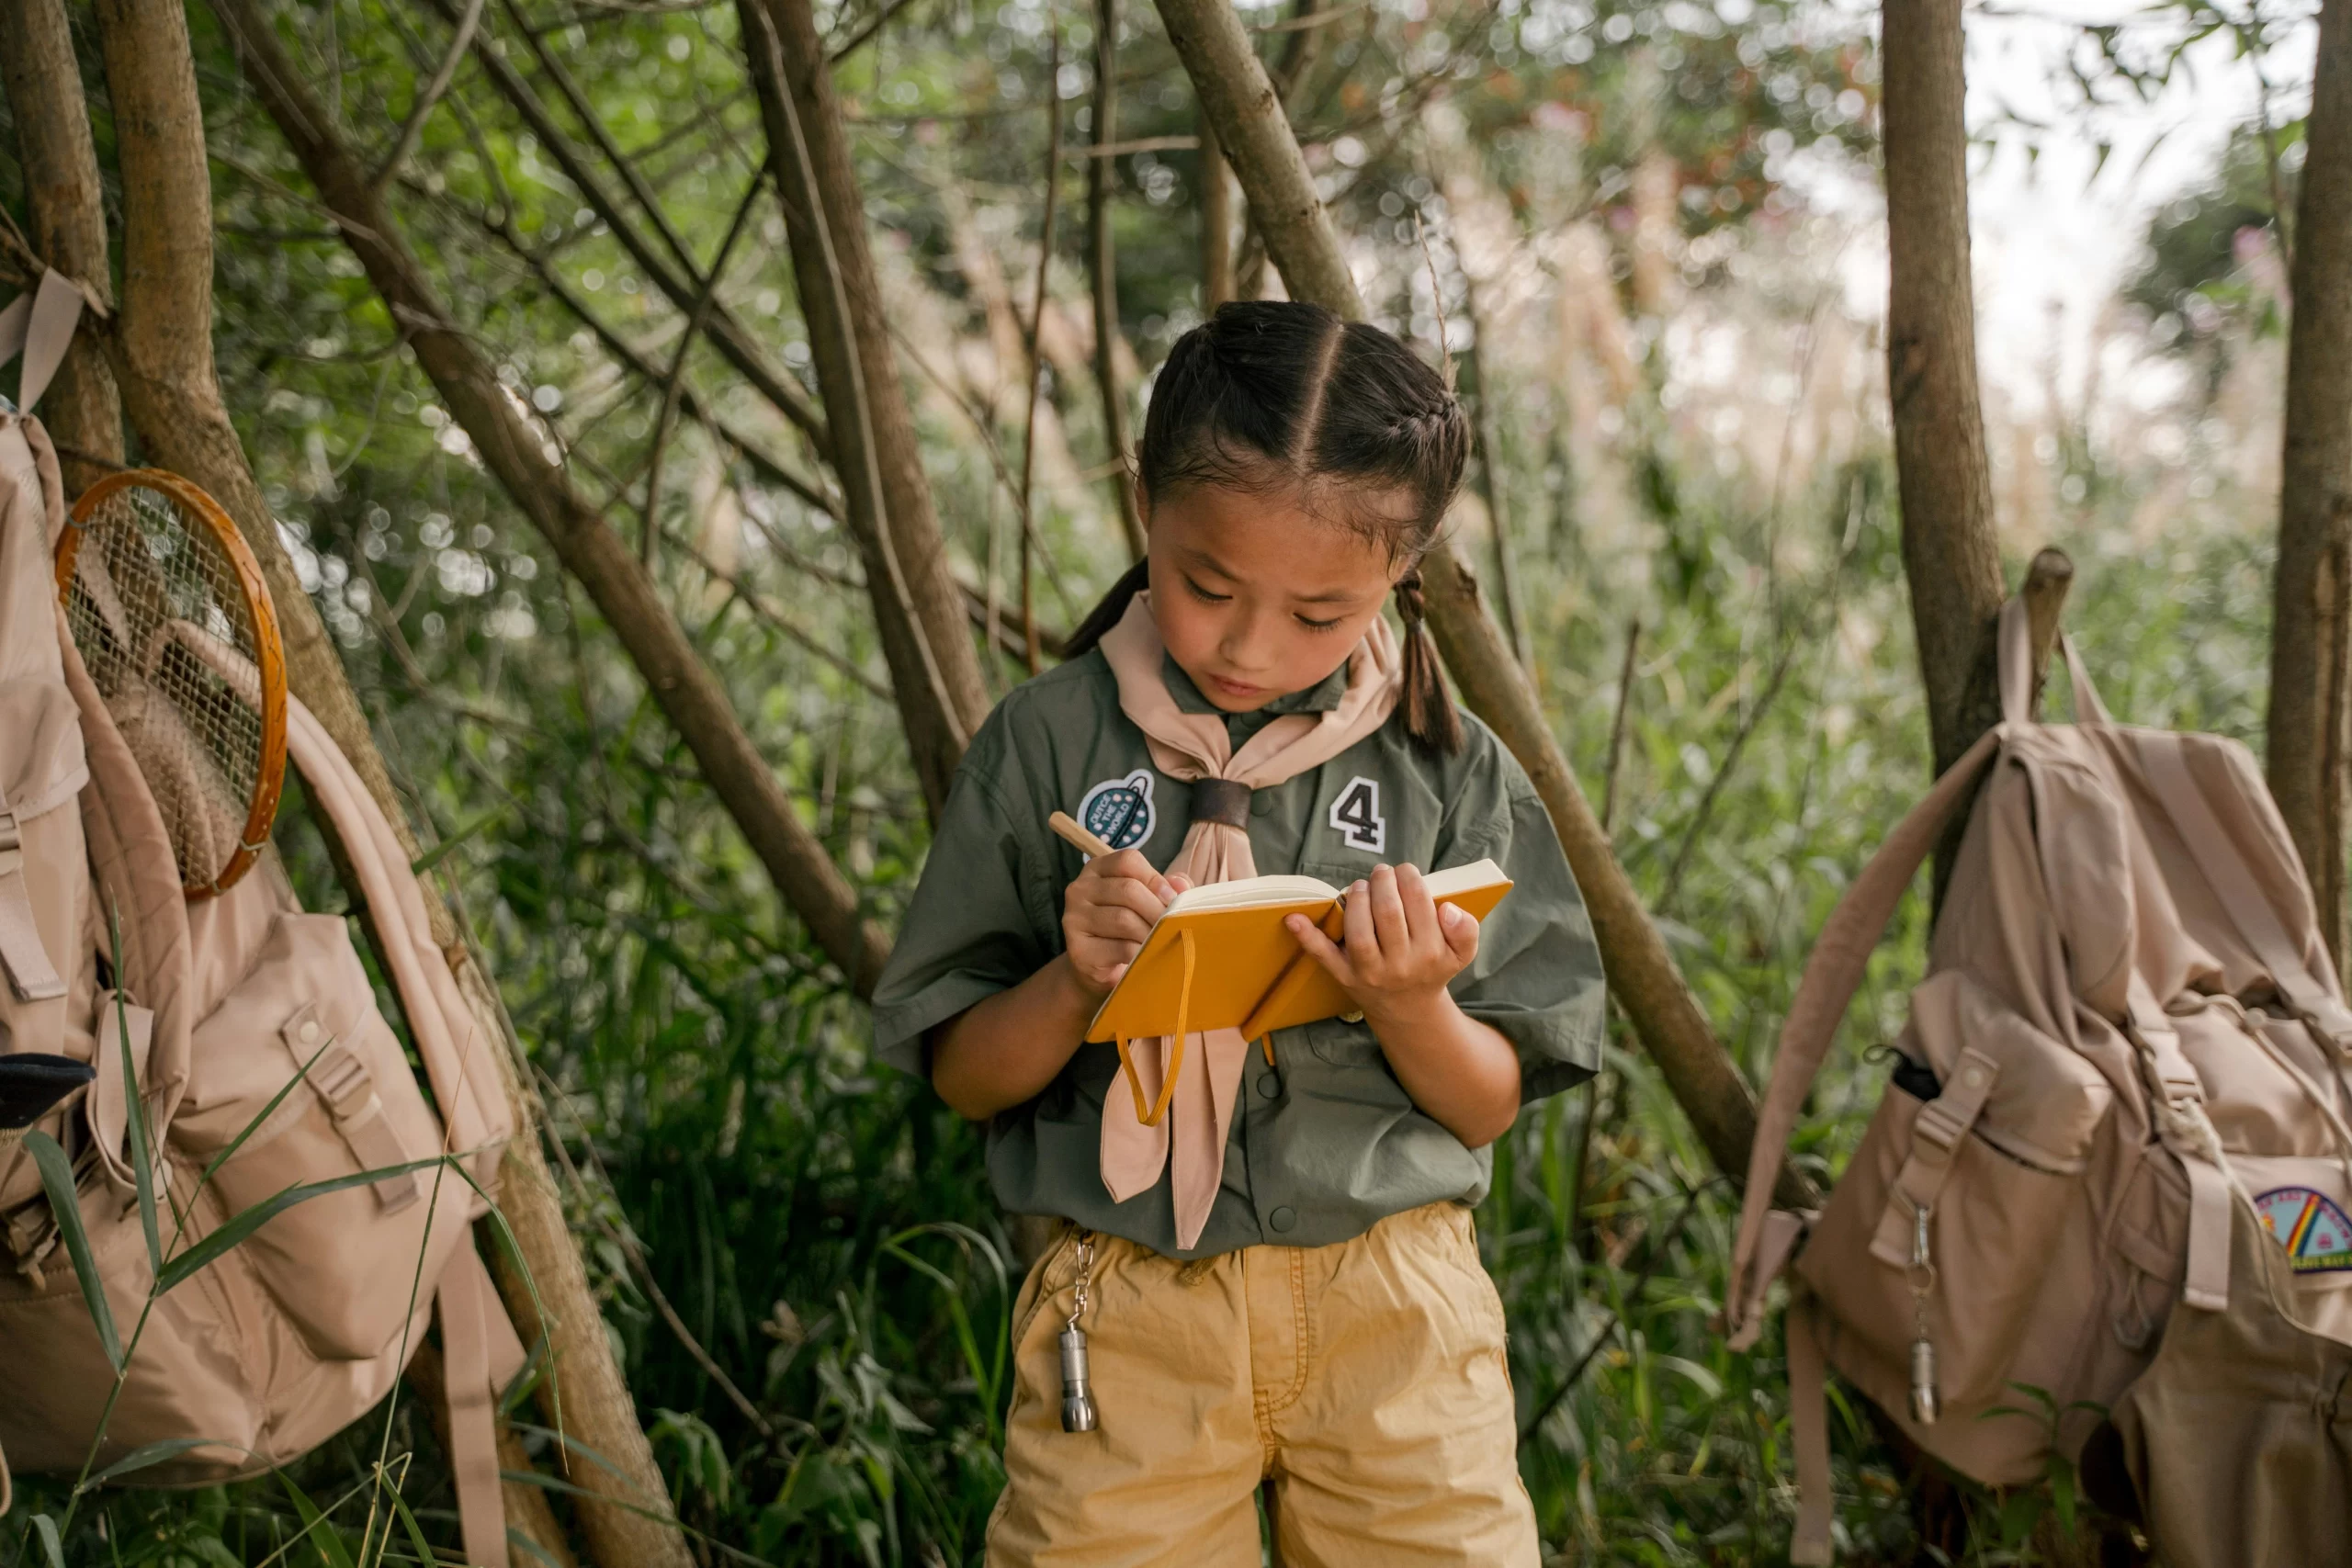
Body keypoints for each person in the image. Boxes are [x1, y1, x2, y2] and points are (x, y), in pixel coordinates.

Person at [872, 299, 1604, 1565]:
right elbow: (964, 1071)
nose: (1252, 645)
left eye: (1321, 615)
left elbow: (1486, 1106)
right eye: (1208, 584)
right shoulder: (1047, 740)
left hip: (1395, 1306)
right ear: (1141, 498)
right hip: (1132, 1304)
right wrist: (1076, 975)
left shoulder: (1450, 767)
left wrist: (1412, 1001)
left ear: (1405, 569)